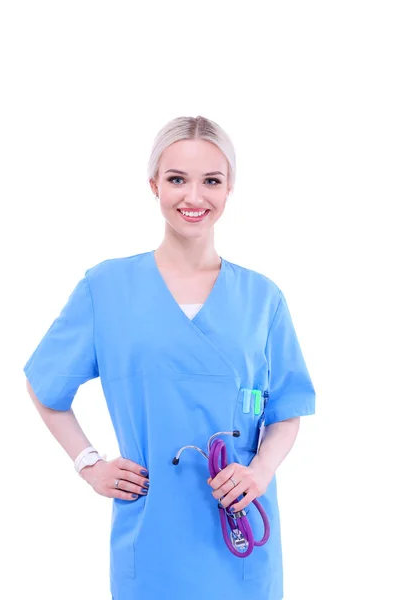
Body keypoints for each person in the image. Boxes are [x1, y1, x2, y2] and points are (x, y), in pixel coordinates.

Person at [23, 115, 316, 600]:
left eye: (211, 181)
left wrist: (260, 470)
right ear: (154, 184)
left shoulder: (263, 299)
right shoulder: (107, 289)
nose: (194, 197)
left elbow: (287, 409)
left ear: (230, 189)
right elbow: (45, 384)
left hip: (240, 536)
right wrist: (89, 463)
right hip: (151, 534)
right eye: (178, 179)